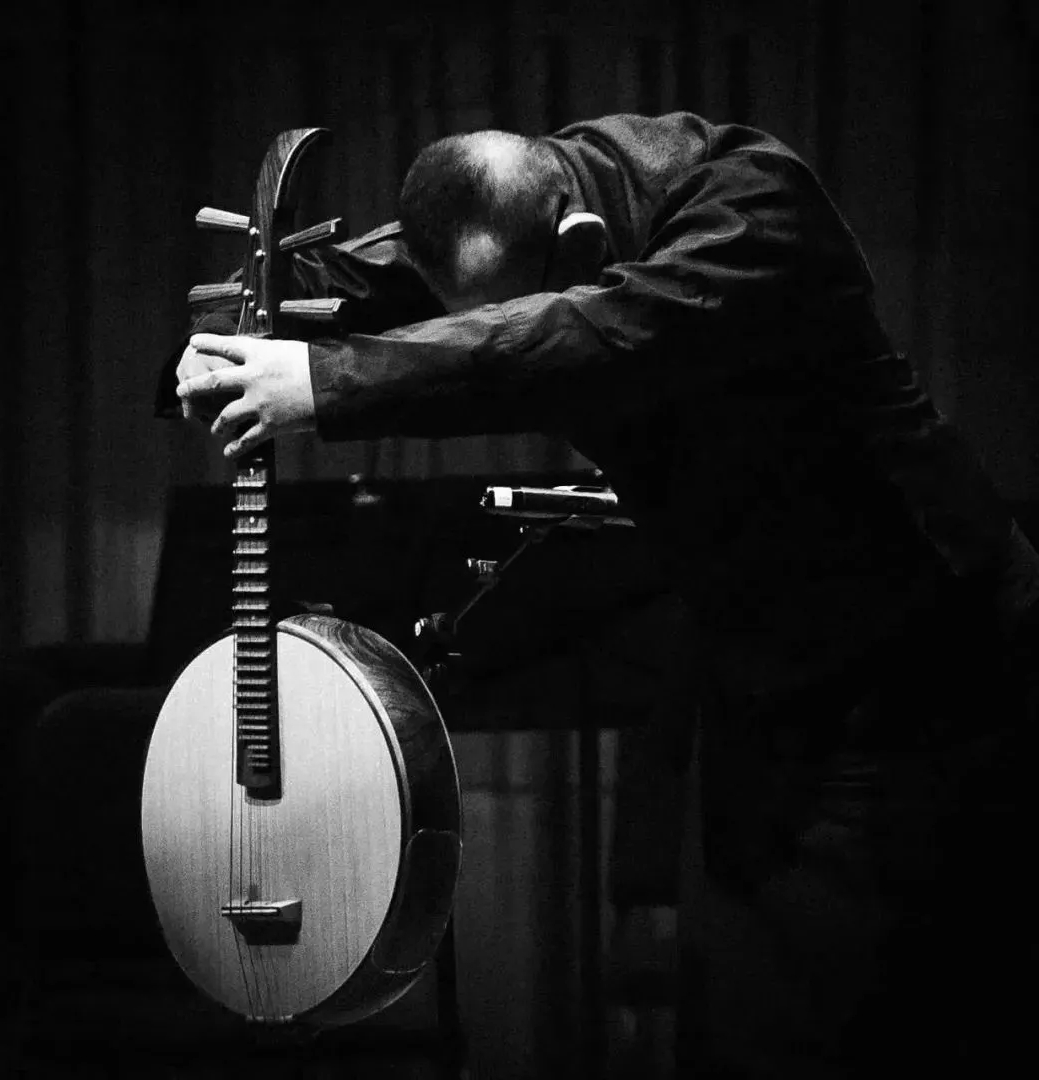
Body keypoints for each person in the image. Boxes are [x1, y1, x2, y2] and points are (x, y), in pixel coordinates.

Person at [165, 112, 1037, 1077]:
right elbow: (372, 280)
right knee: (741, 1019)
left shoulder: (751, 207)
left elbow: (586, 337)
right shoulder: (512, 231)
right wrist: (225, 339)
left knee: (900, 1018)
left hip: (935, 661)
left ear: (579, 244)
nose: (483, 317)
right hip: (766, 674)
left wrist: (327, 383)